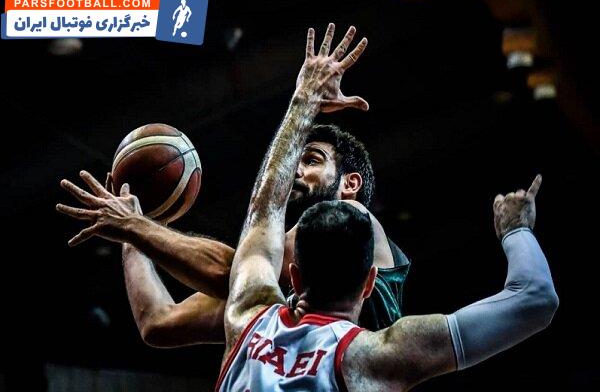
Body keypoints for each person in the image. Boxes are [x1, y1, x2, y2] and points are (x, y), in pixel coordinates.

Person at [218, 24, 558, 391]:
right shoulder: (375, 357)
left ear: (294, 277)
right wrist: (515, 230)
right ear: (369, 282)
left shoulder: (247, 319)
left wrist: (304, 99)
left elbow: (263, 210)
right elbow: (536, 298)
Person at [56, 25, 409, 346]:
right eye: (296, 160)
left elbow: (237, 271)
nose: (295, 171)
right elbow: (159, 322)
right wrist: (131, 237)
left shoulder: (356, 218)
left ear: (350, 183)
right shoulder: (278, 296)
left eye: (313, 160)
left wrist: (138, 227)